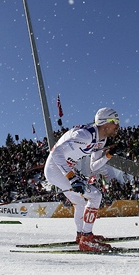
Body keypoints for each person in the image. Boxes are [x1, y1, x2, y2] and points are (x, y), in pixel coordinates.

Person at [44, 107, 120, 252]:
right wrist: (71, 177)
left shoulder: (101, 140)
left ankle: (81, 235)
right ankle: (87, 238)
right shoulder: (85, 135)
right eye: (115, 122)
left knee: (80, 202)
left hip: (65, 169)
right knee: (95, 195)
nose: (117, 126)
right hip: (55, 169)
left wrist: (109, 155)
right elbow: (56, 153)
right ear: (105, 123)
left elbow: (94, 166)